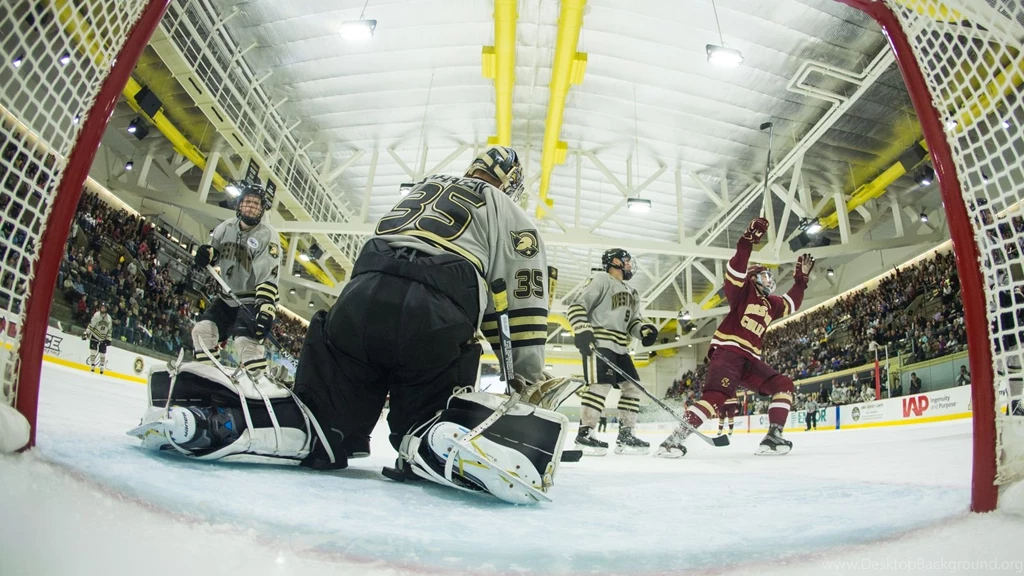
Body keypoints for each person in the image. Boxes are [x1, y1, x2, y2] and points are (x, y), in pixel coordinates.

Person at [129, 146, 569, 506]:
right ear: (511, 184)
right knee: (420, 430)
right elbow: (522, 303)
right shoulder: (505, 208)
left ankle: (214, 416)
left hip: (359, 299)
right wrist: (525, 377)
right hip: (434, 314)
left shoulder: (423, 188)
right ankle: (436, 441)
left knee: (321, 425)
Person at [655, 217, 813, 458]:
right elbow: (737, 265)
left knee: (783, 385)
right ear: (753, 278)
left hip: (749, 359)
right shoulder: (742, 290)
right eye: (764, 276)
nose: (769, 281)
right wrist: (747, 240)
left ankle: (773, 436)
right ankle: (673, 441)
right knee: (715, 398)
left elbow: (792, 303)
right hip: (728, 353)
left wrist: (801, 281)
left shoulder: (772, 303)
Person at [567, 248, 658, 456]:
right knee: (600, 385)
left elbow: (633, 322)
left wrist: (644, 331)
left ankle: (626, 434)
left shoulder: (633, 292)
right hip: (600, 341)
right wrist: (582, 329)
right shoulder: (600, 279)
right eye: (626, 260)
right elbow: (576, 306)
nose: (629, 264)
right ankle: (585, 433)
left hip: (621, 347)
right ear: (615, 262)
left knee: (633, 388)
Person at [191, 178, 281, 377]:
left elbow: (268, 276)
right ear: (239, 204)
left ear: (262, 209)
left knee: (245, 343)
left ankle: (261, 382)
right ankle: (211, 376)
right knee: (202, 331)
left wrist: (265, 310)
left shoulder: (267, 236)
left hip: (252, 300)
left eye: (256, 203)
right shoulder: (225, 227)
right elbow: (214, 253)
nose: (251, 207)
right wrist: (206, 254)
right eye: (248, 202)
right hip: (227, 299)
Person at [83, 302, 113, 374]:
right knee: (93, 351)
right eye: (102, 307)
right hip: (95, 335)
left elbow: (109, 330)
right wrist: (86, 333)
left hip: (103, 337)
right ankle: (92, 365)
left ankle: (102, 366)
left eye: (104, 308)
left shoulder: (109, 318)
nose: (103, 309)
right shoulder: (96, 315)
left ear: (106, 309)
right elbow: (91, 325)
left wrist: (109, 339)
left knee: (102, 353)